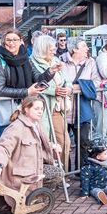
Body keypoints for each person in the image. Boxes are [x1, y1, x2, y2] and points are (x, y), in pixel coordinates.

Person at [0, 96, 61, 208]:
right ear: (26, 109)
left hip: (33, 168)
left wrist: (52, 146)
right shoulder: (17, 127)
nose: (40, 111)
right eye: (36, 109)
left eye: (41, 109)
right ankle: (24, 200)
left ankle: (35, 197)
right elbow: (2, 147)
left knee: (57, 173)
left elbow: (39, 144)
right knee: (57, 174)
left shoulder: (37, 124)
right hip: (21, 173)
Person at [0, 30, 45, 136]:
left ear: (21, 42)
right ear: (3, 42)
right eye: (8, 40)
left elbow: (37, 77)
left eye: (15, 39)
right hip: (3, 110)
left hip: (22, 108)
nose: (11, 42)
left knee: (23, 144)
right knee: (9, 144)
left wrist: (51, 72)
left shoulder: (26, 58)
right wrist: (26, 92)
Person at [30, 35, 72, 169]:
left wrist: (68, 89)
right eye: (51, 50)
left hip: (57, 108)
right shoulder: (31, 62)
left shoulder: (55, 60)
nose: (54, 52)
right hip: (41, 108)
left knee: (63, 142)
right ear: (42, 49)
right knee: (45, 142)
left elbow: (67, 79)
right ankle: (48, 174)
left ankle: (61, 173)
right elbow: (36, 82)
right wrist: (54, 90)